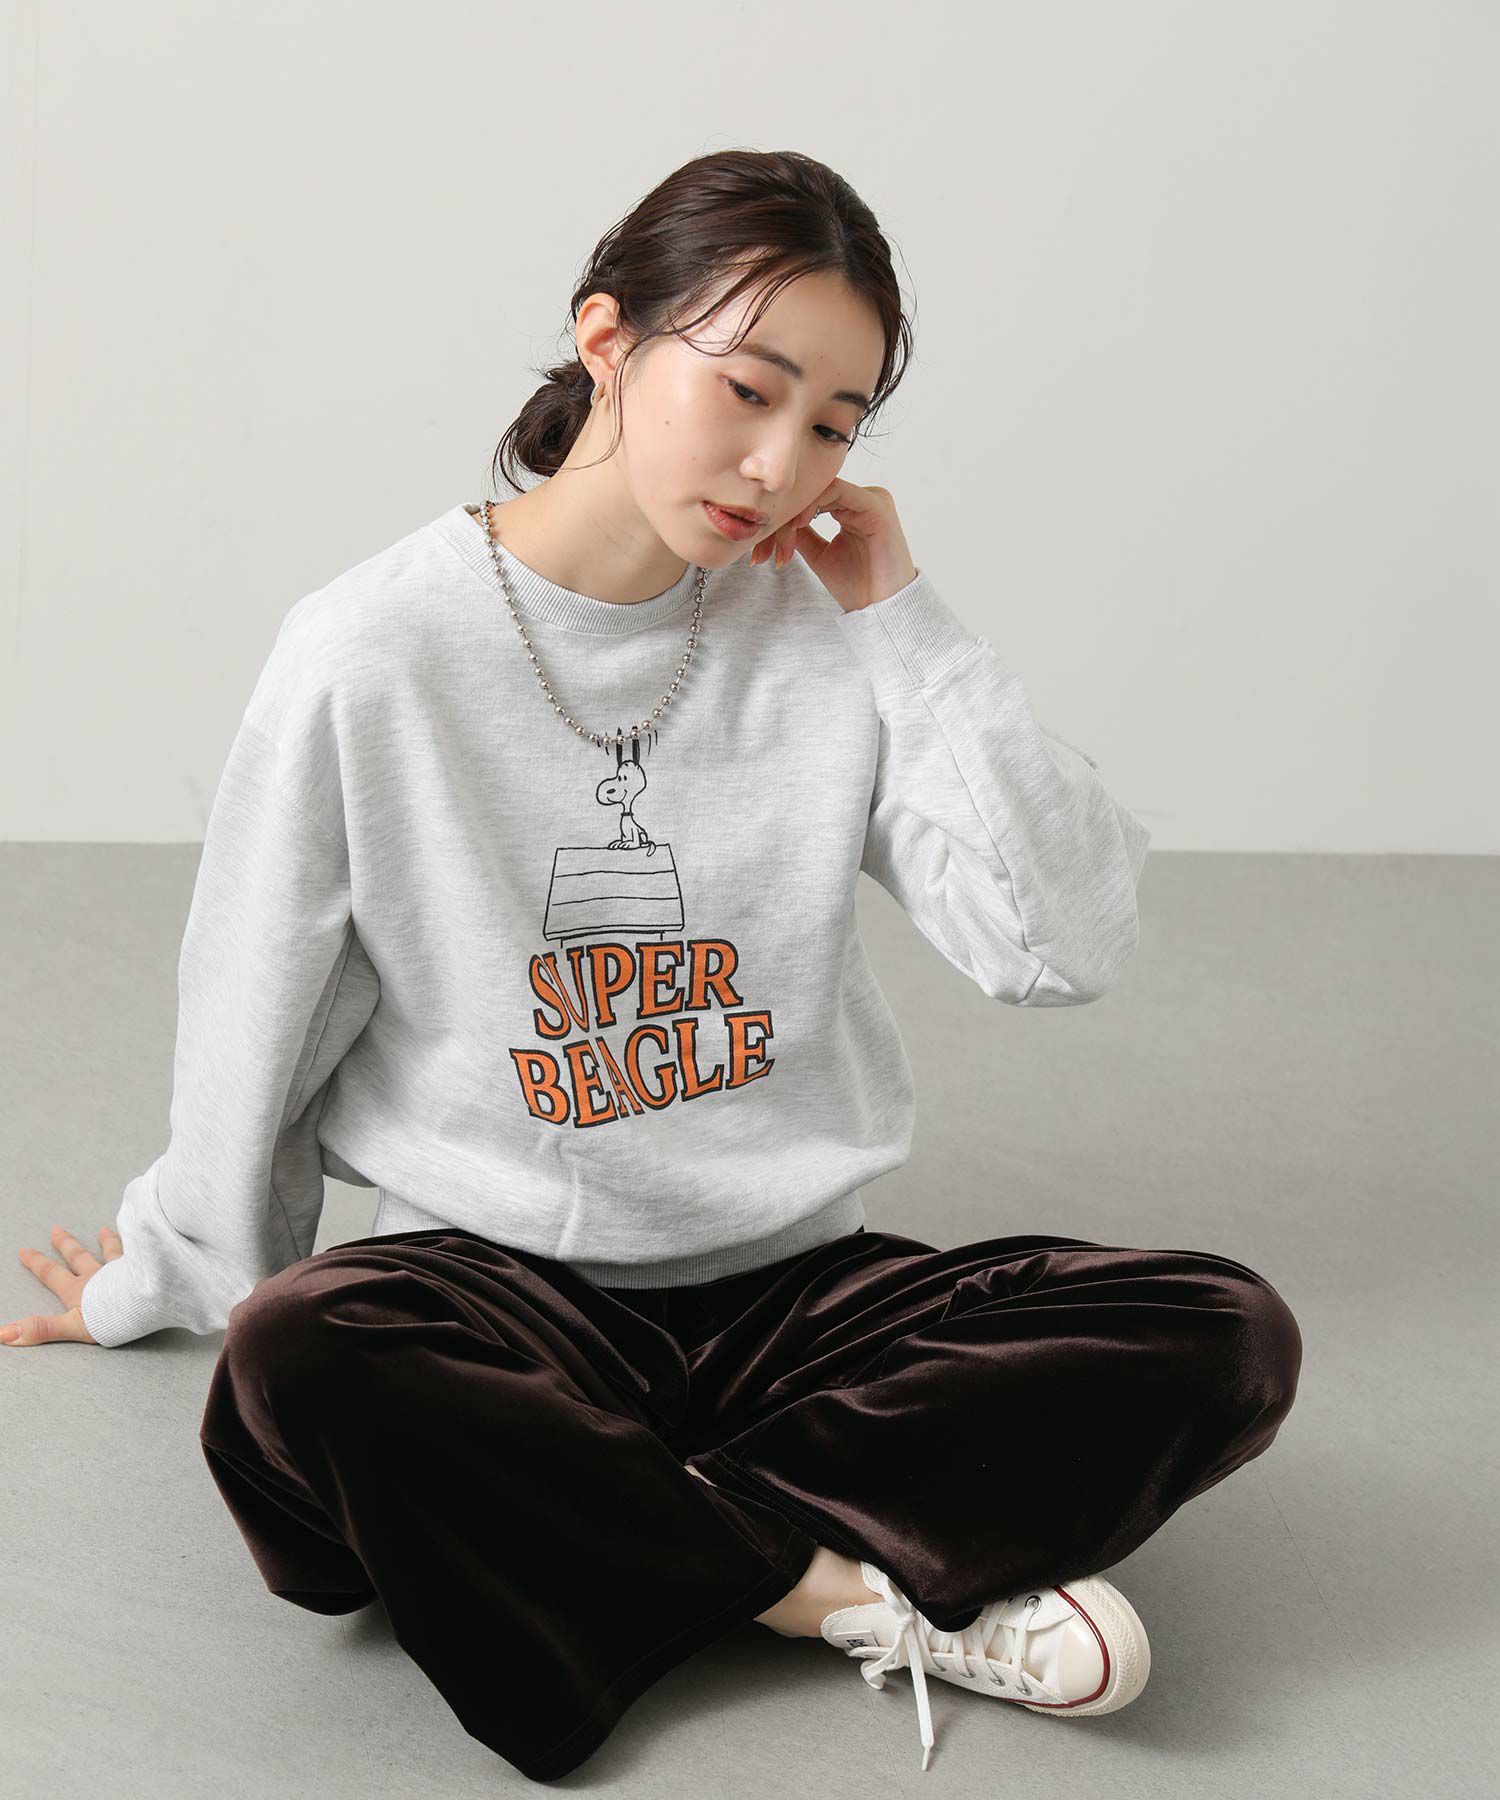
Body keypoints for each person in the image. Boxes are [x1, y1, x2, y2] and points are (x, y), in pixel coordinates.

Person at [3, 148, 1301, 1780]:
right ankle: (845, 1590)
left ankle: (601, 1538)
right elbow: (261, 1014)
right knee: (301, 1362)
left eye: (833, 425)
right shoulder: (372, 650)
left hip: (793, 1303)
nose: (778, 464)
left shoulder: (825, 631)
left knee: (1223, 1329)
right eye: (749, 389)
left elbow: (1062, 944)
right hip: (491, 1299)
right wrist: (162, 1274)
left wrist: (905, 620)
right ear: (607, 338)